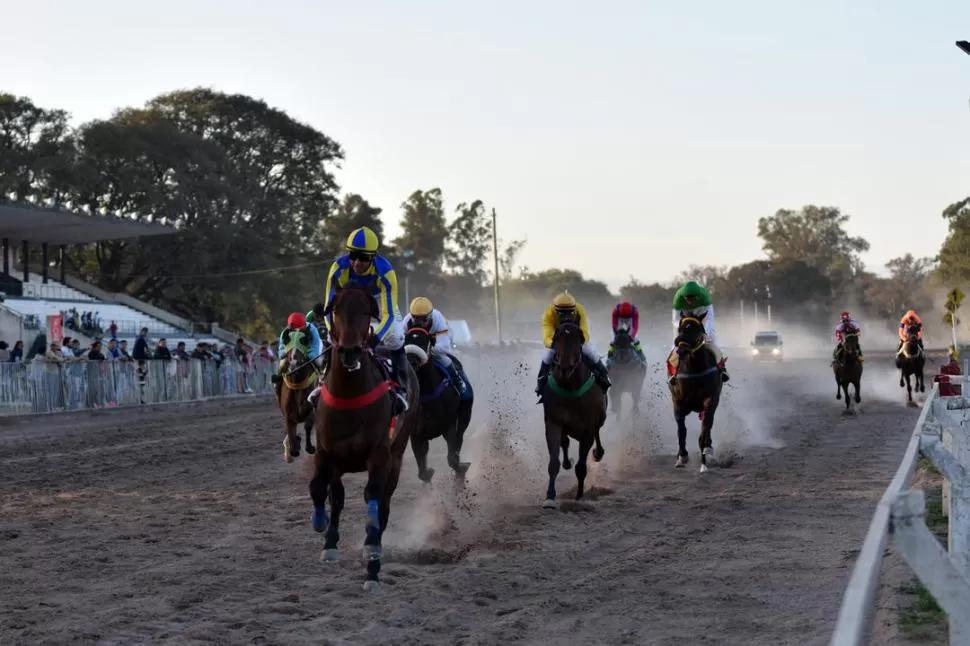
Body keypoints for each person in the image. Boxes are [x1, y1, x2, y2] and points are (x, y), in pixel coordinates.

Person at [320, 226, 409, 412]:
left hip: (378, 299)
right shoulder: (337, 268)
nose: (357, 263)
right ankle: (323, 380)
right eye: (353, 256)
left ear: (373, 257)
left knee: (396, 336)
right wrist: (332, 331)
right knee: (331, 337)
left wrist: (376, 338)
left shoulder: (386, 273)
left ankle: (401, 386)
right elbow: (328, 308)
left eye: (364, 258)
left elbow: (389, 315)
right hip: (350, 300)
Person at [535, 290, 611, 403]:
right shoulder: (548, 314)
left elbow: (585, 331)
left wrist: (579, 342)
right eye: (562, 313)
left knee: (589, 350)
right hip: (558, 337)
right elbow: (547, 335)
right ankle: (541, 382)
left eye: (569, 312)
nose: (566, 316)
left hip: (577, 335)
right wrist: (554, 344)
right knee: (548, 355)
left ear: (574, 309)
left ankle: (603, 374)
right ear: (555, 310)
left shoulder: (580, 310)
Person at [403, 296, 468, 397]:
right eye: (416, 319)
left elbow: (445, 347)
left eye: (423, 320)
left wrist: (428, 350)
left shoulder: (438, 320)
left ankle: (457, 381)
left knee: (443, 358)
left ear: (430, 316)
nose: (419, 323)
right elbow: (400, 342)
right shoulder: (406, 321)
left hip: (437, 338)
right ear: (411, 316)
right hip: (420, 343)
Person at [668, 280, 729, 384]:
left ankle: (722, 368)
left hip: (702, 310)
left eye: (692, 299)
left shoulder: (704, 295)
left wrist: (706, 332)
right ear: (684, 296)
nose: (690, 301)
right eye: (687, 299)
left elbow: (709, 319)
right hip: (684, 313)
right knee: (675, 343)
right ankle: (673, 373)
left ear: (697, 296)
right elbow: (675, 320)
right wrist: (684, 327)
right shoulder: (678, 297)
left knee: (712, 336)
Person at [273, 311, 326, 385]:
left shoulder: (312, 329)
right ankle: (277, 383)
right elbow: (282, 347)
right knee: (282, 363)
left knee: (318, 361)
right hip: (294, 351)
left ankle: (322, 377)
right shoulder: (285, 331)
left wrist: (310, 355)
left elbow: (316, 346)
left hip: (310, 348)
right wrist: (284, 354)